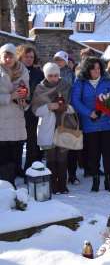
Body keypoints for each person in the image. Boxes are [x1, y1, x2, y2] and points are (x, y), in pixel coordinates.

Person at [72, 57, 110, 192]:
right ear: (87, 69)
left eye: (98, 68)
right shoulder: (80, 82)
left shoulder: (106, 81)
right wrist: (89, 113)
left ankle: (109, 182)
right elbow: (75, 101)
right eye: (93, 69)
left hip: (107, 123)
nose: (96, 71)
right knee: (93, 154)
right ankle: (95, 181)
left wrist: (105, 110)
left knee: (108, 154)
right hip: (90, 123)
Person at [32, 62, 75, 194]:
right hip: (48, 127)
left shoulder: (66, 86)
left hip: (63, 125)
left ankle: (63, 185)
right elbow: (36, 110)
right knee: (50, 158)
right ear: (46, 75)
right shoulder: (40, 88)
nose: (53, 78)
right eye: (50, 75)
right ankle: (52, 185)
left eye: (56, 75)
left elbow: (73, 107)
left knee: (62, 157)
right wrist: (49, 107)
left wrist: (66, 108)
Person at [0, 43, 29, 186]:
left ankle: (10, 187)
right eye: (5, 56)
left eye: (10, 56)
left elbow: (26, 91)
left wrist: (24, 100)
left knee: (14, 157)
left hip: (17, 119)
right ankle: (4, 188)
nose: (8, 59)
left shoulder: (22, 70)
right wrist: (10, 96)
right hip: (2, 120)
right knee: (3, 157)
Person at [16, 45, 44, 175]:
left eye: (31, 57)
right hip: (15, 111)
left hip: (32, 111)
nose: (29, 59)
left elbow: (41, 92)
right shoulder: (13, 71)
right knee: (16, 142)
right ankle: (15, 168)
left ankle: (29, 168)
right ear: (20, 57)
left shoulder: (39, 73)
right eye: (26, 56)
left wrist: (29, 101)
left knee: (32, 142)